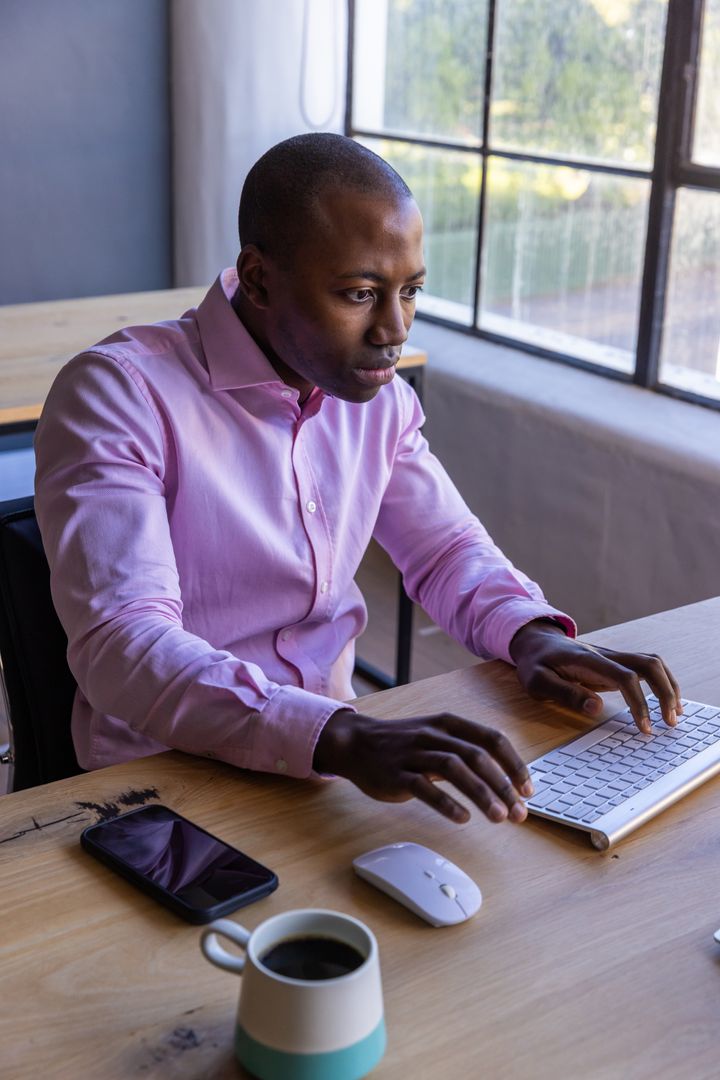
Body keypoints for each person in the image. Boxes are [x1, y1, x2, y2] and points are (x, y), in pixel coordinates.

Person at [34, 133, 681, 828]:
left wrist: (530, 634)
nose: (394, 329)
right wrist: (336, 735)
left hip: (330, 768)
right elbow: (123, 644)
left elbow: (445, 550)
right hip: (159, 786)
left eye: (411, 292)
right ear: (257, 279)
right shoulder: (118, 395)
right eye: (360, 293)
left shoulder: (381, 402)